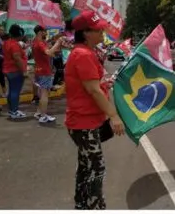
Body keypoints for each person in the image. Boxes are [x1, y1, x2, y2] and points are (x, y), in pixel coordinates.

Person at [65, 11, 125, 209]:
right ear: (86, 33)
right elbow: (93, 90)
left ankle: (82, 204)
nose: (102, 32)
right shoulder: (83, 54)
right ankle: (95, 206)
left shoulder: (85, 52)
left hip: (85, 122)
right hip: (85, 124)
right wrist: (114, 115)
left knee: (85, 166)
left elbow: (93, 84)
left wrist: (105, 82)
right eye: (98, 29)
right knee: (96, 168)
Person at [32, 26, 66, 124]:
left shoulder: (35, 42)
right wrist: (58, 42)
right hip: (44, 71)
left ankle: (39, 113)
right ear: (40, 32)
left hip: (39, 70)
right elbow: (49, 53)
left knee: (43, 92)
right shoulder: (40, 43)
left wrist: (56, 45)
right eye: (44, 32)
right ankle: (43, 116)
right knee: (44, 94)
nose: (46, 33)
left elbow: (49, 52)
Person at [2, 24, 28, 119]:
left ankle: (11, 109)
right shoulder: (14, 45)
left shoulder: (7, 42)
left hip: (8, 69)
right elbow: (17, 59)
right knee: (15, 91)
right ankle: (14, 110)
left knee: (12, 90)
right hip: (15, 70)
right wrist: (24, 70)